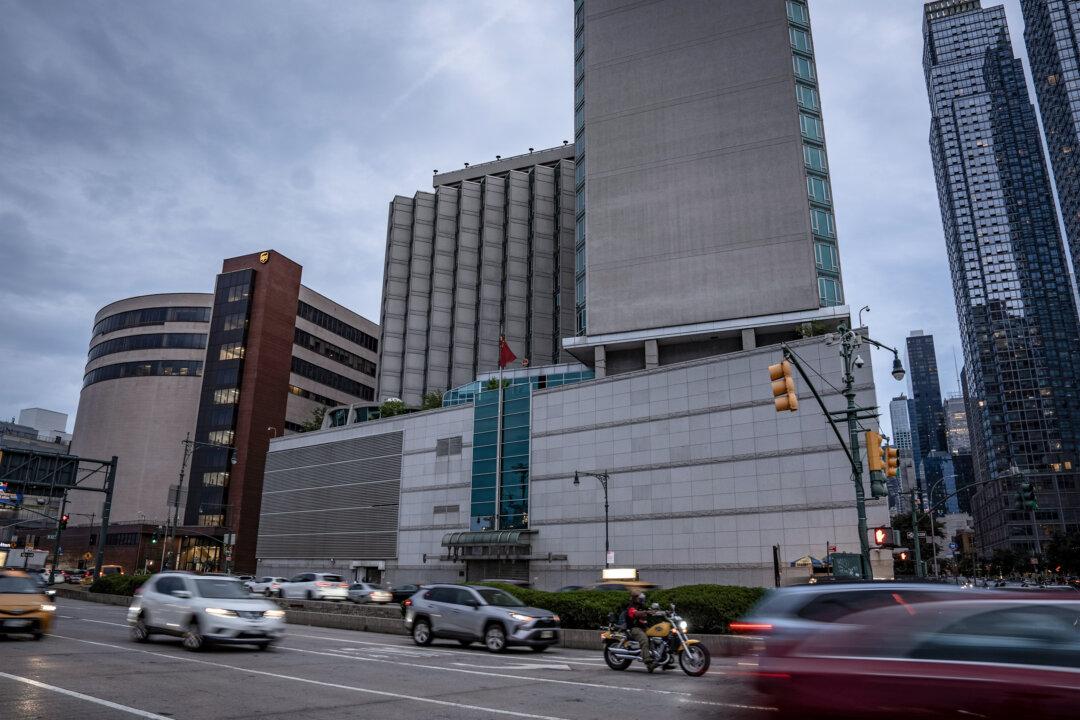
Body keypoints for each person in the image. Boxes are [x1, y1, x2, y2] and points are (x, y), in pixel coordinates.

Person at [626, 592, 657, 672]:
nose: (642, 600)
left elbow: (650, 611)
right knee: (644, 639)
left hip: (644, 628)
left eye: (642, 599)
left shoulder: (642, 606)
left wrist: (662, 612)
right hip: (634, 629)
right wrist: (645, 613)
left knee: (657, 635)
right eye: (640, 599)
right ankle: (648, 662)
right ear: (635, 599)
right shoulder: (631, 607)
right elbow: (636, 613)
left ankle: (664, 661)